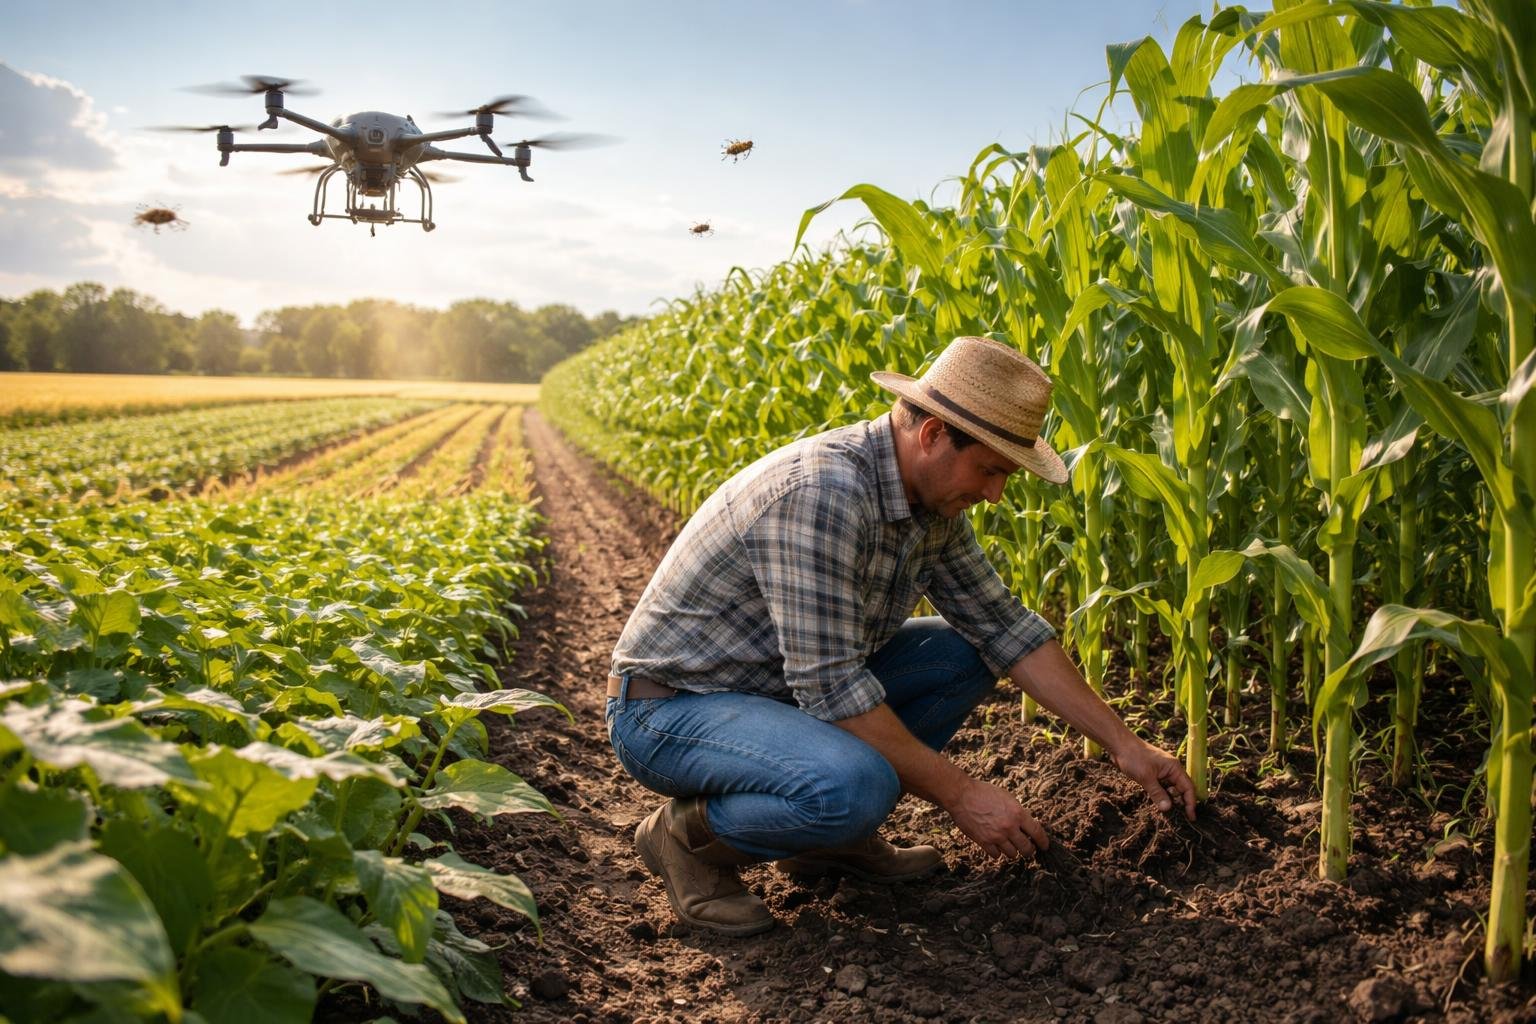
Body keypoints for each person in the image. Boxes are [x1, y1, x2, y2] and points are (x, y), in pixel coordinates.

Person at [606, 335, 1196, 937]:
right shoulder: (824, 493)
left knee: (963, 653)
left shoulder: (930, 503)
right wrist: (962, 795)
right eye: (990, 470)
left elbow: (1004, 628)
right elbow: (830, 687)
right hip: (674, 709)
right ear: (933, 434)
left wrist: (1126, 745)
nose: (994, 494)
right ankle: (685, 838)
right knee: (855, 785)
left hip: (775, 696)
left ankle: (828, 844)